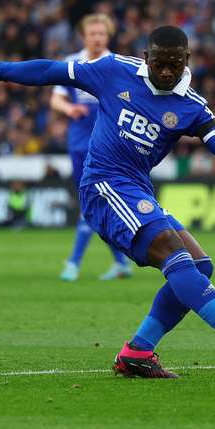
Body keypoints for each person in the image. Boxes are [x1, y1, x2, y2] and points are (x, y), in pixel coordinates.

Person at [0, 26, 215, 378]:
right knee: (171, 250)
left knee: (199, 266)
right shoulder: (114, 70)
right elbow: (48, 71)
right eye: (160, 63)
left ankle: (138, 352)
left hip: (136, 190)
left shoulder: (191, 106)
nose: (166, 71)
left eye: (175, 64)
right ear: (147, 58)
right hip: (102, 185)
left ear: (187, 61)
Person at [51, 14, 133, 282]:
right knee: (96, 205)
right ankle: (121, 263)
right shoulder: (71, 63)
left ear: (107, 36)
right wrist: (69, 108)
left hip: (108, 144)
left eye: (102, 33)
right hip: (78, 143)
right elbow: (56, 100)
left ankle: (73, 263)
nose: (97, 37)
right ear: (83, 36)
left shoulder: (117, 65)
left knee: (93, 204)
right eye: (92, 33)